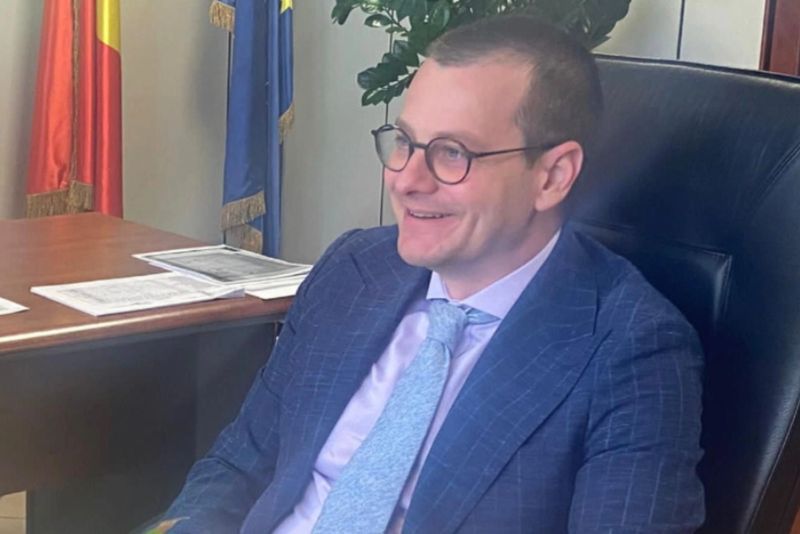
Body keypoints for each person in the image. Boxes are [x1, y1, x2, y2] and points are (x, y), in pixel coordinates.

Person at [157, 14, 704, 533]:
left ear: (552, 176)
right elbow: (238, 463)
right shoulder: (353, 269)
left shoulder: (633, 352)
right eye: (404, 142)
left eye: (452, 153)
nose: (407, 179)